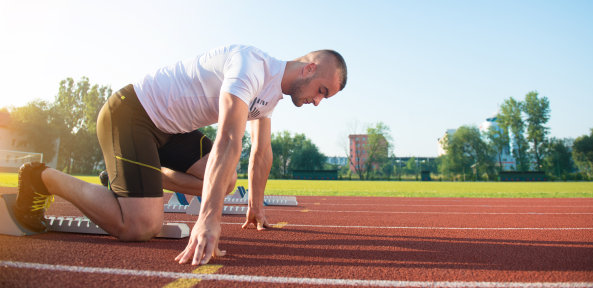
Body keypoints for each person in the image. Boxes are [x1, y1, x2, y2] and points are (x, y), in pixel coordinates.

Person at [13, 44, 347, 265]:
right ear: (309, 68)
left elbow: (262, 150)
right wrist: (208, 220)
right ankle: (42, 178)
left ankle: (132, 178)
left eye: (325, 98)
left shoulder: (273, 96)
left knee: (227, 180)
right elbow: (229, 138)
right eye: (322, 91)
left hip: (173, 132)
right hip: (133, 114)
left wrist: (255, 205)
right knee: (140, 227)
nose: (318, 101)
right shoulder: (252, 66)